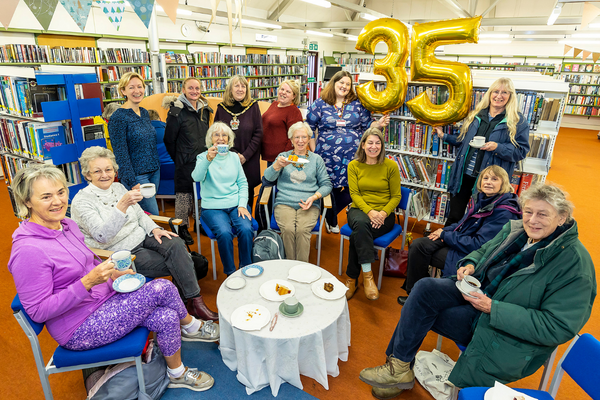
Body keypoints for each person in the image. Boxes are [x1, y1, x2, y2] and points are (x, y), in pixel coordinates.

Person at [359, 184, 595, 399]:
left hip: (501, 325)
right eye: (528, 212)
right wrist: (470, 263)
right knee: (424, 288)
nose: (532, 220)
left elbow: (557, 327)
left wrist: (494, 308)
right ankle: (398, 368)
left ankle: (397, 370)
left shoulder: (574, 265)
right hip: (478, 293)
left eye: (542, 214)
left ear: (562, 218)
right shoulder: (515, 229)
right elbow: (483, 250)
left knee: (419, 311)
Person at [9, 164, 220, 392]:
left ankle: (176, 373)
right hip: (78, 327)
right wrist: (87, 283)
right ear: (27, 201)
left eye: (61, 192)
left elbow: (90, 261)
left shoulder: (67, 225)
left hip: (105, 301)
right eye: (46, 196)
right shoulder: (27, 250)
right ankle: (192, 326)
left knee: (167, 316)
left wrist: (112, 274)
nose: (58, 201)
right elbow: (38, 311)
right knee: (161, 288)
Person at [71, 147, 218, 322]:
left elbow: (140, 215)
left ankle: (189, 304)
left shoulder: (117, 187)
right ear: (88, 175)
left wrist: (154, 228)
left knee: (176, 242)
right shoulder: (82, 201)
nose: (105, 175)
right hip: (121, 252)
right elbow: (102, 236)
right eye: (97, 171)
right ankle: (191, 305)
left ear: (114, 170)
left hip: (143, 236)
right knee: (181, 261)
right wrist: (122, 206)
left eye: (108, 169)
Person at [398, 165, 521, 305]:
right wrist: (443, 231)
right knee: (418, 244)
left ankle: (418, 297)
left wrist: (446, 235)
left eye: (494, 179)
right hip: (461, 240)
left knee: (422, 251)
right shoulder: (482, 199)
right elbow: (461, 224)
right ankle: (415, 291)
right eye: (485, 178)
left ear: (503, 183)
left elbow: (479, 245)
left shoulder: (504, 211)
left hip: (472, 254)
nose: (488, 182)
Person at [435, 77, 530, 227]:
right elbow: (463, 140)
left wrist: (497, 147)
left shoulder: (519, 121)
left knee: (479, 221)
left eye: (504, 92)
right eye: (496, 91)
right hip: (464, 175)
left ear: (511, 96)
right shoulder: (477, 114)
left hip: (489, 180)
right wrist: (443, 136)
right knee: (454, 216)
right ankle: (445, 244)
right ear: (489, 93)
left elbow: (521, 151)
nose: (499, 96)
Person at [306, 70, 389, 234]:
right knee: (330, 187)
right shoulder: (320, 103)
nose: (344, 86)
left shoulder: (357, 104)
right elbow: (309, 128)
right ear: (334, 84)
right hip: (326, 157)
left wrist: (378, 124)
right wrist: (314, 150)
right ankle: (331, 220)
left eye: (348, 84)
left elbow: (367, 126)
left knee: (353, 189)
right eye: (341, 83)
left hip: (353, 157)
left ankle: (329, 216)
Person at [344, 128, 401, 301]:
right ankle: (368, 276)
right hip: (359, 210)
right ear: (362, 145)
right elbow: (354, 194)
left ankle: (351, 278)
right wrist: (370, 212)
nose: (374, 147)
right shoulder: (353, 166)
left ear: (382, 146)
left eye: (378, 143)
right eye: (370, 142)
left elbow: (396, 196)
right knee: (361, 225)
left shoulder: (391, 166)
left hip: (385, 214)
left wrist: (382, 213)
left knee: (358, 234)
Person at [191, 122, 254, 276]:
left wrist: (242, 205)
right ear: (211, 139)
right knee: (225, 233)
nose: (220, 138)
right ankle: (231, 273)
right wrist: (208, 159)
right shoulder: (202, 157)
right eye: (216, 135)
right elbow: (196, 177)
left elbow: (242, 183)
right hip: (212, 207)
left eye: (224, 135)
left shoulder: (234, 157)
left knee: (246, 229)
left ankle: (246, 268)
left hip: (235, 205)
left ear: (229, 139)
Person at [264, 121, 332, 262]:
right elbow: (268, 177)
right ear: (291, 140)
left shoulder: (316, 160)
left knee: (301, 231)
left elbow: (326, 184)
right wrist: (276, 165)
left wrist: (314, 197)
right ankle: (289, 265)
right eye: (296, 137)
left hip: (309, 203)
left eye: (304, 137)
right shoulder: (283, 157)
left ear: (309, 139)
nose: (300, 141)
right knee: (288, 230)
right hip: (284, 202)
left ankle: (302, 268)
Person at [164, 78, 213, 246]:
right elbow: (169, 139)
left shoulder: (205, 110)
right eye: (190, 88)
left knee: (202, 192)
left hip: (203, 160)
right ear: (183, 89)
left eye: (197, 88)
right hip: (184, 161)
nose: (194, 91)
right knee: (183, 195)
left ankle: (200, 222)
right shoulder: (176, 111)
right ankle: (182, 227)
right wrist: (178, 157)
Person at [108, 72, 161, 216]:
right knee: (153, 216)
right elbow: (120, 153)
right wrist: (132, 182)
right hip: (137, 176)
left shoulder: (144, 113)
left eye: (139, 86)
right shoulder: (118, 117)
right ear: (123, 91)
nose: (137, 91)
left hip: (154, 171)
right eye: (131, 87)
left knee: (144, 216)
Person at [214, 75, 263, 208]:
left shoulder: (253, 106)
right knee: (228, 190)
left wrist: (245, 156)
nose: (240, 89)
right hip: (227, 158)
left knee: (247, 190)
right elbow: (217, 134)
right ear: (230, 89)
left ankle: (246, 223)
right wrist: (235, 155)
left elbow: (258, 133)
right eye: (236, 86)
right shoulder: (221, 108)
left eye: (243, 86)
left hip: (249, 158)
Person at [261, 79, 303, 166]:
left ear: (294, 96)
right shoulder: (275, 104)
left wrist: (285, 157)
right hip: (269, 154)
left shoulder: (294, 111)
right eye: (282, 89)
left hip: (281, 158)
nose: (283, 93)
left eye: (288, 91)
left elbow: (294, 137)